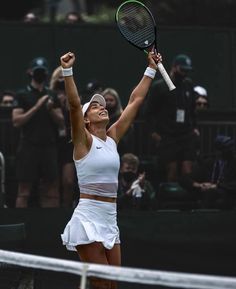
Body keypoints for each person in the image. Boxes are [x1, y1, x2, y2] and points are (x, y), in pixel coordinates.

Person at [60, 49, 161, 289]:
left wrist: (151, 69)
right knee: (102, 284)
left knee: (112, 286)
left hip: (110, 219)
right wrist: (67, 71)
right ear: (86, 119)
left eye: (103, 105)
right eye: (94, 107)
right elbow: (74, 106)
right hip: (87, 217)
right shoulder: (82, 140)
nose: (102, 107)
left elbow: (135, 100)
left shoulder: (113, 138)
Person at [12, 56, 64, 208]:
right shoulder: (22, 94)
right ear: (30, 72)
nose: (39, 74)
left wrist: (50, 109)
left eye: (42, 71)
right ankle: (20, 225)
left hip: (49, 146)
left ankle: (51, 225)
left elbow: (61, 122)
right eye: (37, 71)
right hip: (29, 146)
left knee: (51, 190)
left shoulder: (52, 95)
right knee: (24, 191)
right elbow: (16, 121)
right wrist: (36, 107)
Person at [145, 53, 197, 183]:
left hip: (185, 134)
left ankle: (188, 201)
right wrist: (153, 132)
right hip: (167, 135)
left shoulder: (188, 85)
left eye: (187, 70)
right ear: (174, 67)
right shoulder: (160, 86)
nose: (184, 73)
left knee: (188, 171)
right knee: (171, 171)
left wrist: (194, 127)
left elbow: (192, 109)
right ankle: (170, 201)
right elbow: (149, 112)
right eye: (182, 69)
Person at [180, 135, 236, 209]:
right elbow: (183, 179)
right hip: (207, 195)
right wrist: (199, 185)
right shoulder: (208, 163)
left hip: (227, 195)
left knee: (212, 194)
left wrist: (216, 186)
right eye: (225, 149)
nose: (231, 151)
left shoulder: (233, 164)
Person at [49, 66, 77, 207]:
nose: (61, 80)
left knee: (68, 181)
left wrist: (67, 104)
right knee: (52, 182)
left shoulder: (73, 96)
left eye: (63, 77)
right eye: (58, 77)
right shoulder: (49, 95)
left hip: (68, 143)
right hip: (51, 142)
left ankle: (66, 210)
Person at [102, 87, 134, 155]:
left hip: (119, 149)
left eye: (111, 100)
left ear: (116, 101)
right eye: (106, 100)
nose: (108, 102)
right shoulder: (97, 117)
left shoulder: (122, 116)